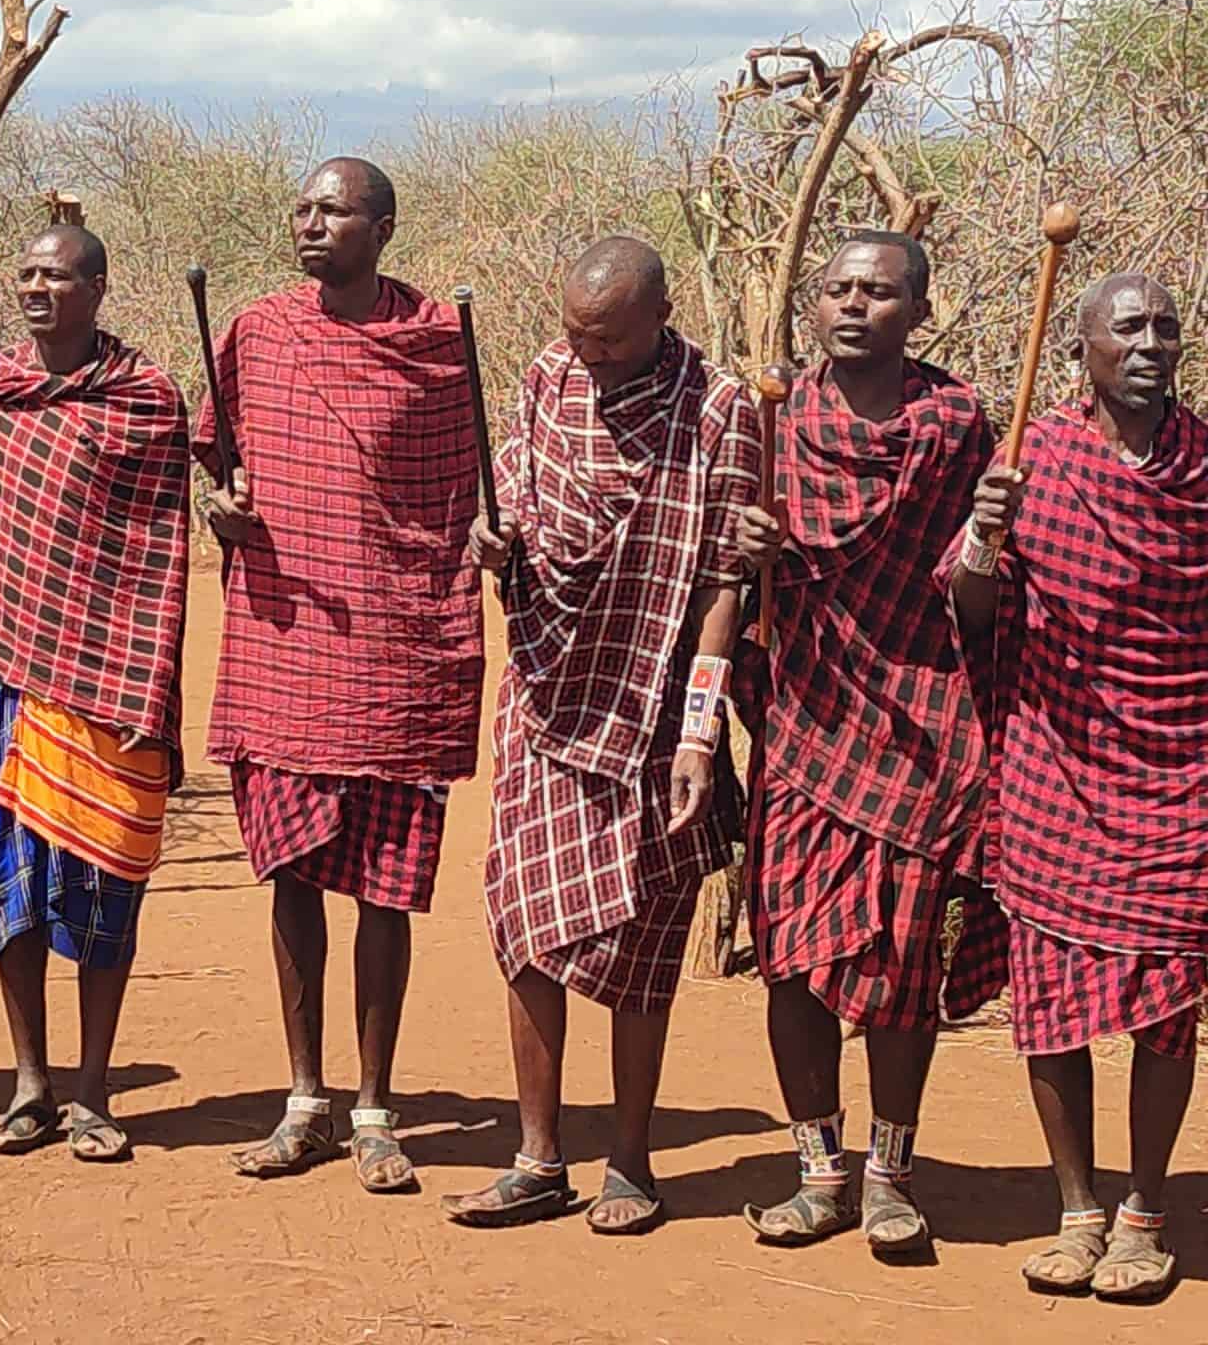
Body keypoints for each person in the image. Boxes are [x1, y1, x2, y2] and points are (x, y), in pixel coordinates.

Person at [441, 237, 758, 1235]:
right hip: (545, 694)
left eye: (609, 340)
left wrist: (699, 734)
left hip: (656, 709)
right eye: (576, 334)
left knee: (641, 940)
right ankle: (538, 1158)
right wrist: (491, 539)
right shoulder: (548, 378)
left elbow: (722, 582)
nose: (589, 355)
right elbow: (511, 503)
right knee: (524, 923)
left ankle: (630, 1161)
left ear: (661, 319)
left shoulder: (718, 408)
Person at [0, 224, 192, 1163]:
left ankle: (94, 1091)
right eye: (26, 275)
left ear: (97, 287)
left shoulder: (144, 400)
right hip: (1, 672)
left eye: (56, 276)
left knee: (103, 886)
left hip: (107, 678)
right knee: (2, 880)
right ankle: (30, 1083)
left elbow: (159, 545)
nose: (36, 289)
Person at [198, 159, 484, 1187]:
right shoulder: (256, 333)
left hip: (399, 648)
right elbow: (219, 459)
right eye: (302, 208)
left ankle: (373, 1108)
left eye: (333, 210)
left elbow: (470, 491)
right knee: (291, 878)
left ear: (383, 228)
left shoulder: (440, 349)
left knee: (384, 892)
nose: (310, 223)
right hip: (286, 647)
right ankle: (304, 1100)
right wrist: (222, 512)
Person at [734, 232, 992, 1255]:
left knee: (901, 960)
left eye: (878, 292)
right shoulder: (773, 418)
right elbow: (725, 581)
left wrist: (986, 538)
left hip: (922, 723)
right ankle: (817, 1171)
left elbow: (979, 595)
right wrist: (746, 545)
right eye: (837, 289)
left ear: (918, 311)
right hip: (805, 717)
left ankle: (889, 1174)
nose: (853, 305)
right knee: (791, 957)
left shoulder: (956, 425)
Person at [947, 273, 1198, 1302]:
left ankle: (1144, 1213)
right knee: (1050, 999)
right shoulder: (1033, 460)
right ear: (1082, 349)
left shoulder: (1202, 465)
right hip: (1057, 758)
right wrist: (984, 534)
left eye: (1165, 327)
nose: (1150, 343)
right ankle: (1077, 1207)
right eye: (1127, 327)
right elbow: (970, 611)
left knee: (1169, 998)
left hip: (1181, 763)